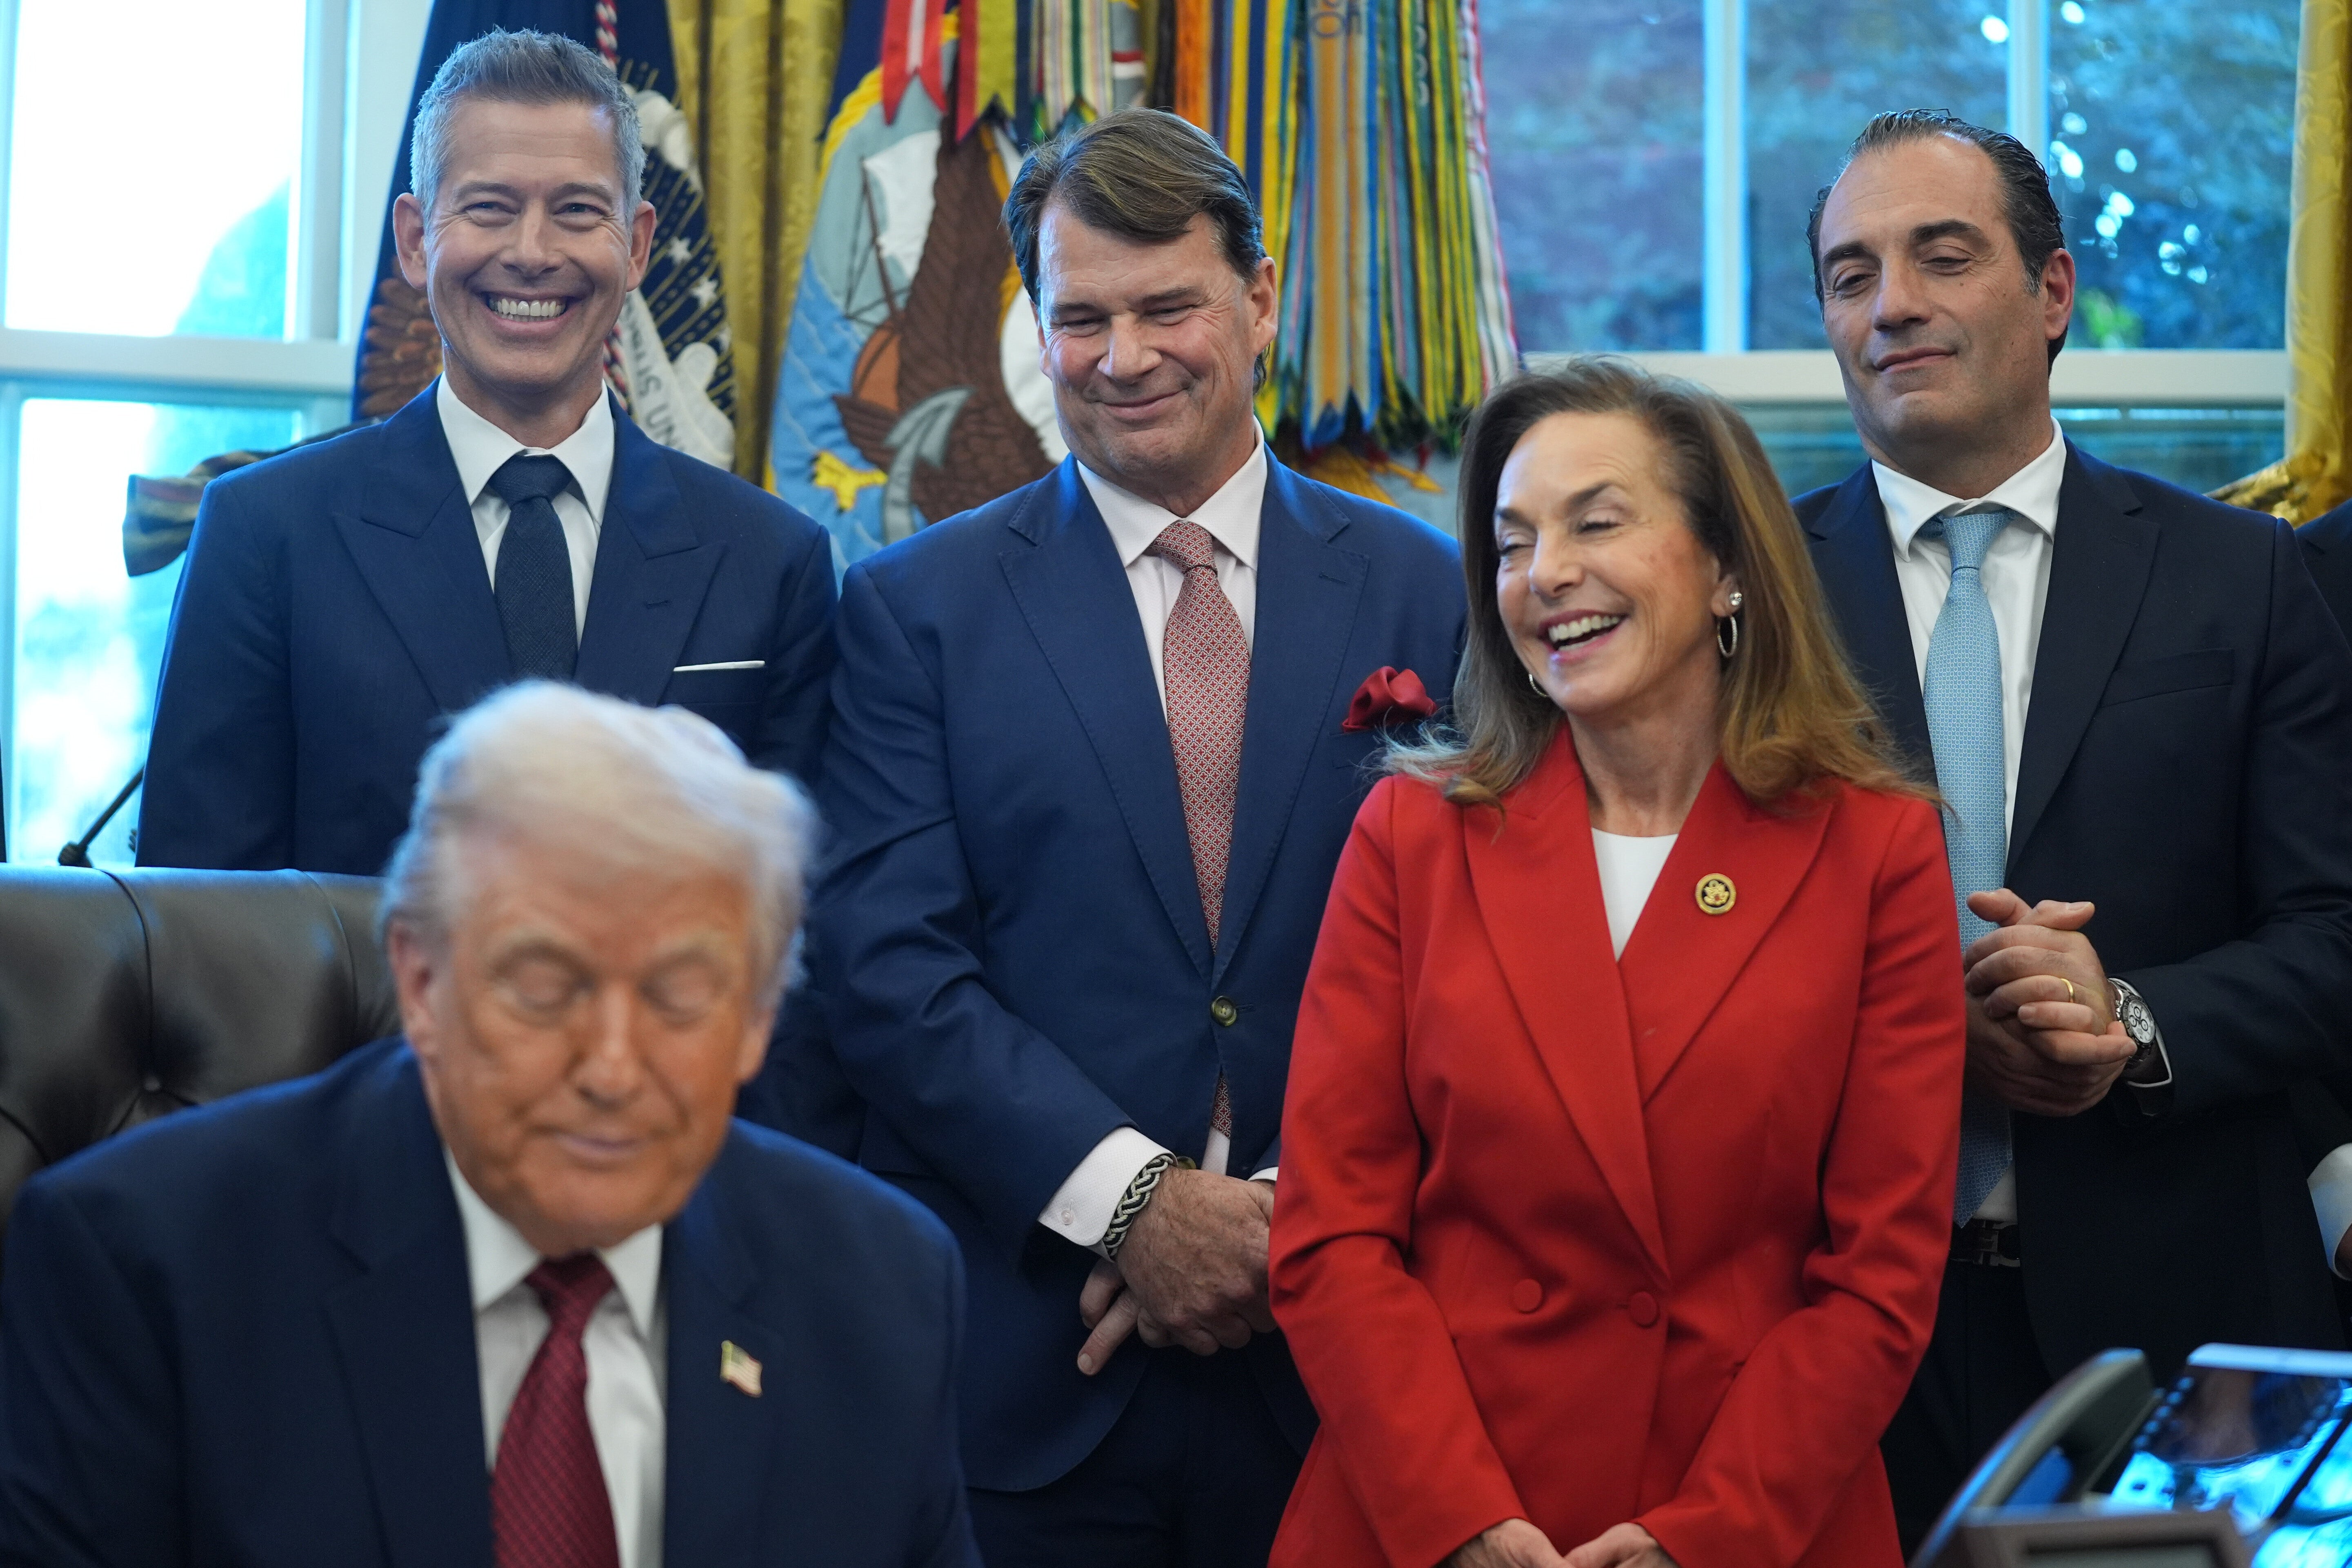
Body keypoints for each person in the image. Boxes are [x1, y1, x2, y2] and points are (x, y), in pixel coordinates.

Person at [803, 108, 1466, 1566]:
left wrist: (1279, 1223)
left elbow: (1481, 970)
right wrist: (1135, 1205)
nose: (1124, 355)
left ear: (1261, 296)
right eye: (1080, 315)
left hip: (1349, 1361)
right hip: (1030, 1370)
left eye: (1168, 305)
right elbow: (886, 970)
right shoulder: (914, 610)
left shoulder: (1435, 598)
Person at [0, 684, 980, 1568]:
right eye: (546, 989)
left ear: (759, 1020)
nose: (610, 1068)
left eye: (682, 999)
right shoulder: (146, 1263)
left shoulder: (880, 1289)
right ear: (421, 982)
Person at [1268, 359, 1965, 1568]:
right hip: (1434, 1509)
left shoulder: (1877, 851)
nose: (1547, 575)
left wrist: (1703, 1536)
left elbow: (1881, 1275)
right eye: (1512, 542)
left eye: (1598, 522)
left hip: (1748, 1514)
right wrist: (1460, 1518)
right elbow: (1332, 1239)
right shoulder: (1412, 837)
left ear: (1728, 569)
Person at [1797, 109, 2352, 1547]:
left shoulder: (2248, 578)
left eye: (1940, 255)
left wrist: (2128, 1019)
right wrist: (1928, 1014)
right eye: (1851, 275)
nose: (1893, 304)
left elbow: (2336, 936)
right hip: (1835, 1328)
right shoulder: (1751, 602)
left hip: (2186, 1322)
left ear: (2052, 293)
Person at [136, 29, 834, 876]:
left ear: (639, 244)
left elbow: (798, 928)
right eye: (488, 207)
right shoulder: (264, 536)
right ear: (415, 238)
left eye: (577, 210)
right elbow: (204, 932)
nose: (533, 252)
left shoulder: (771, 560)